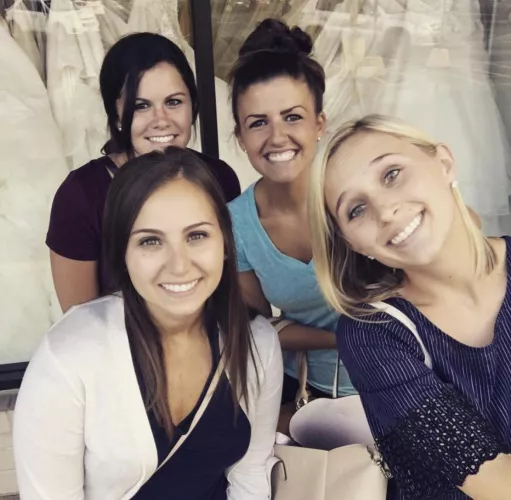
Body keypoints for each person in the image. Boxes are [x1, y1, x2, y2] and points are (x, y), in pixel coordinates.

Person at [14, 147, 282, 500]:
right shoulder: (68, 357)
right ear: (122, 254)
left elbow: (251, 471)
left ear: (226, 243)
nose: (179, 265)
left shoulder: (256, 344)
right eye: (150, 241)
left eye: (197, 235)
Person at [309, 114, 511, 499]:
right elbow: (498, 484)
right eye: (355, 209)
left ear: (444, 163)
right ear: (353, 243)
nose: (385, 211)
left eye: (392, 174)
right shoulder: (373, 333)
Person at [47, 32, 241, 313]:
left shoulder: (220, 179)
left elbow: (229, 292)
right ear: (115, 114)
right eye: (141, 106)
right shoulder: (82, 196)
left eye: (174, 102)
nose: (160, 120)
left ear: (193, 105)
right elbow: (81, 320)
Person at [227, 18, 356, 414]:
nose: (277, 136)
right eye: (258, 123)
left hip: (402, 377)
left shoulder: (359, 191)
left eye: (293, 117)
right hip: (303, 389)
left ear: (319, 124)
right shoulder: (237, 224)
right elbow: (259, 327)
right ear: (241, 138)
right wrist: (342, 340)